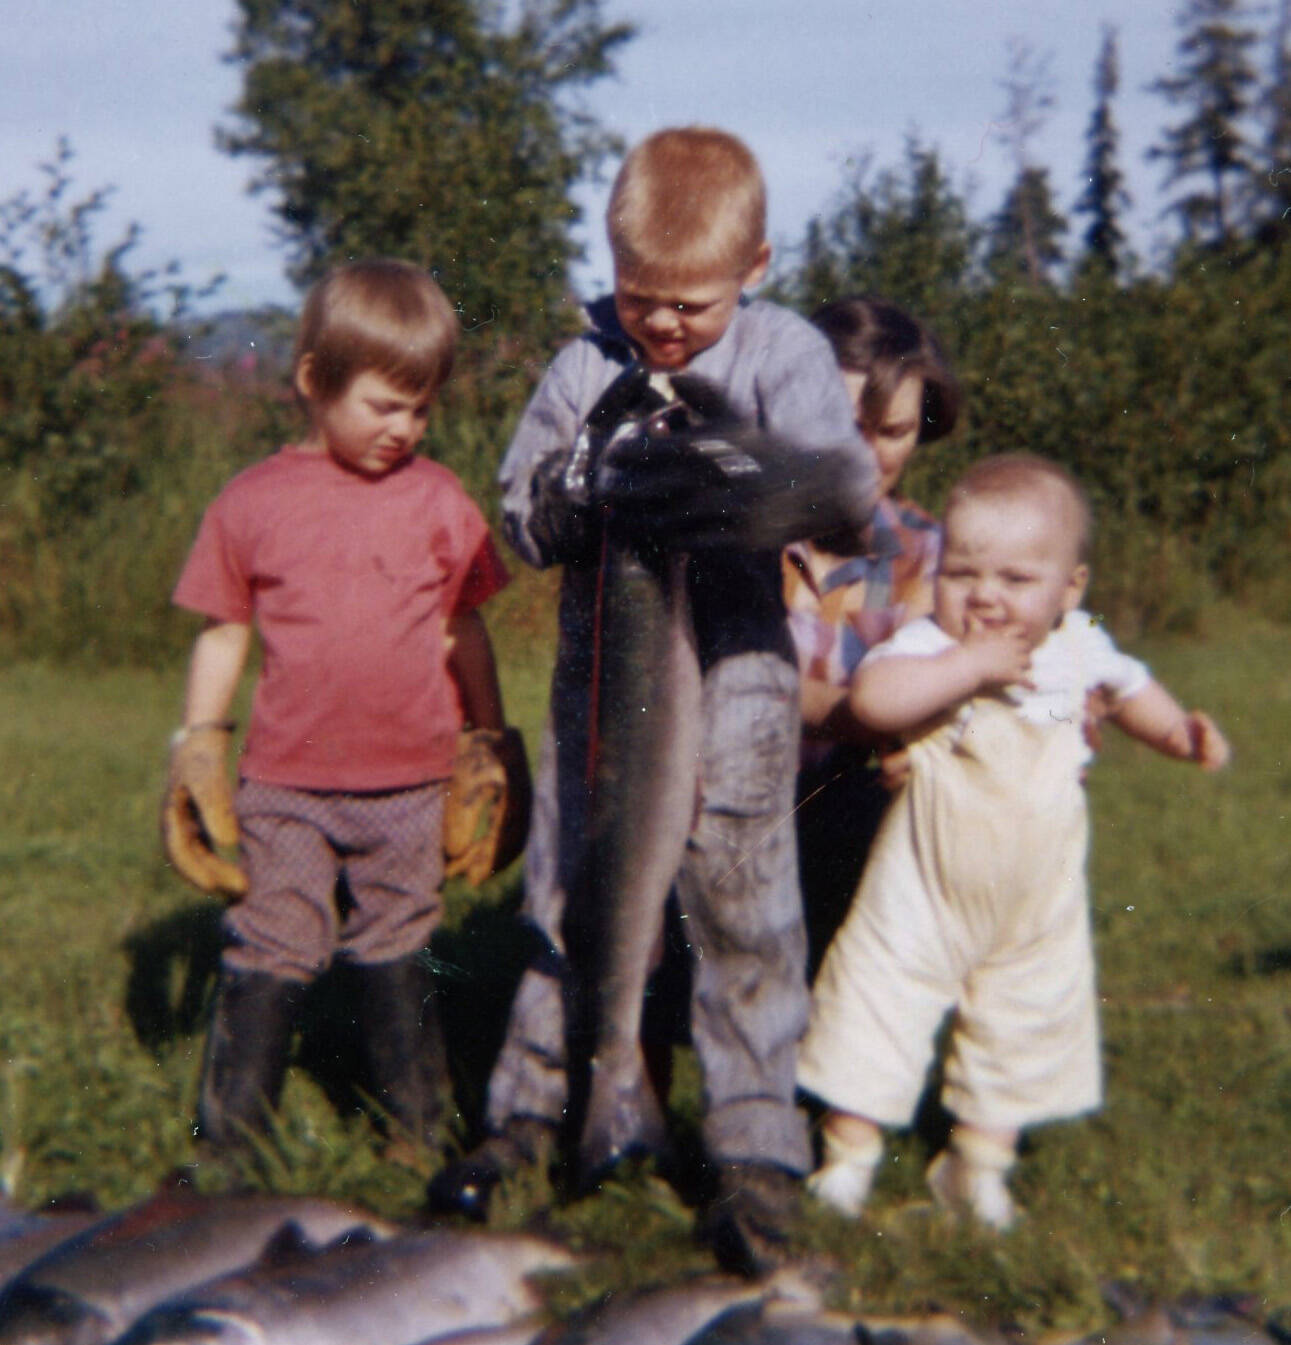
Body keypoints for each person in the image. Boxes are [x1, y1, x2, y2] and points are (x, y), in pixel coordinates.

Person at [428, 126, 878, 1274]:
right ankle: (537, 1111)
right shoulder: (583, 365)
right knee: (569, 894)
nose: (664, 323)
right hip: (602, 699)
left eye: (691, 303)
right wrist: (568, 498)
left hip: (739, 690)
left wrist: (746, 476)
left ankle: (750, 1150)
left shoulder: (783, 356)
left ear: (757, 268)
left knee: (743, 913)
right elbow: (519, 517)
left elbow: (847, 495)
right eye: (640, 298)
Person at [797, 454, 1230, 1230]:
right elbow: (874, 696)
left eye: (1015, 580)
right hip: (923, 888)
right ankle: (847, 1157)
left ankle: (977, 1163)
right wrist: (966, 665)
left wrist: (1177, 732)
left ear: (1069, 589)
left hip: (1032, 899)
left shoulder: (1079, 649)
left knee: (1024, 1020)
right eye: (963, 574)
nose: (986, 597)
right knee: (874, 1001)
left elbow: (1132, 690)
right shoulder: (929, 645)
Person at [161, 259, 513, 1156]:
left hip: (410, 781)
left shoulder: (438, 502)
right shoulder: (252, 503)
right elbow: (221, 634)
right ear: (314, 381)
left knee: (399, 940)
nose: (405, 428)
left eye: (421, 408)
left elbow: (463, 628)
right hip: (286, 783)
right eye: (383, 406)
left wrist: (488, 737)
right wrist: (199, 746)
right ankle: (229, 1141)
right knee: (272, 939)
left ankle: (417, 1128)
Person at [785, 297, 961, 978]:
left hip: (849, 827)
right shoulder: (738, 537)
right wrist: (873, 715)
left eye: (889, 432)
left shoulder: (931, 555)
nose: (864, 456)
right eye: (844, 426)